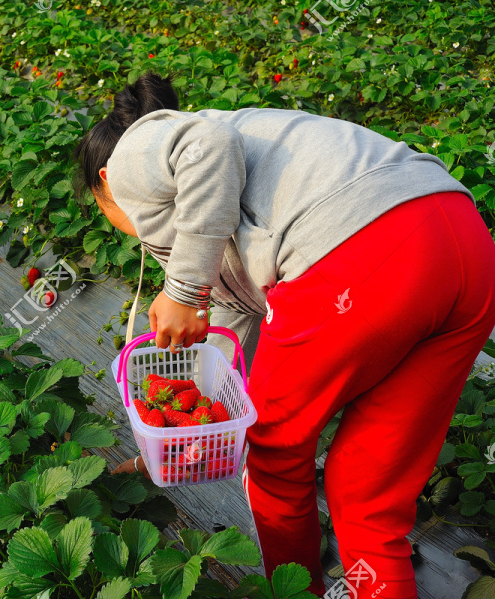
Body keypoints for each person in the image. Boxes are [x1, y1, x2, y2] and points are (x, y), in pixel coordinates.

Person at [75, 72, 495, 598]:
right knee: (366, 495)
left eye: (100, 207)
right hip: (464, 246)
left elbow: (209, 145)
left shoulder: (143, 147)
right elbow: (227, 348)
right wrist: (181, 440)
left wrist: (183, 290)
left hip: (363, 250)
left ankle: (297, 593)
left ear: (106, 182)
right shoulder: (228, 214)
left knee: (273, 453)